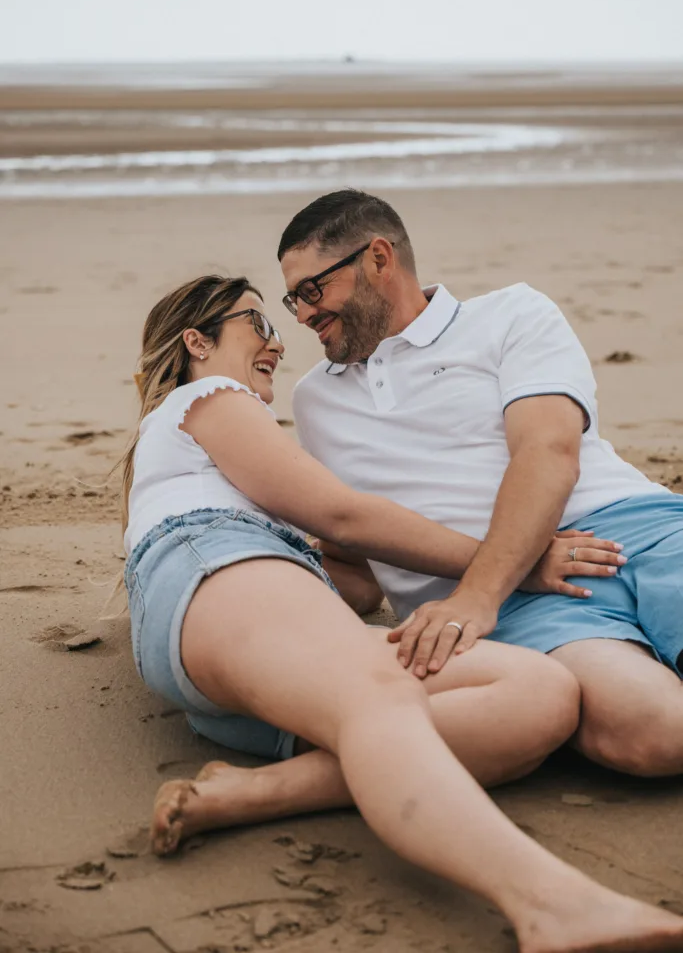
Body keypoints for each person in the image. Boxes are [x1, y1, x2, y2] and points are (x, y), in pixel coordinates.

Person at [122, 274, 683, 951]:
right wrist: (508, 560)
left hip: (233, 623)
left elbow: (350, 583)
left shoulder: (199, 450)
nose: (276, 341)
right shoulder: (213, 396)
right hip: (221, 566)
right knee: (380, 701)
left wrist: (357, 564)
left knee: (536, 694)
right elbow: (341, 514)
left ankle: (258, 790)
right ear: (196, 342)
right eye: (257, 324)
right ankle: (551, 906)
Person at [278, 188, 683, 780]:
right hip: (513, 603)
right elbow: (356, 564)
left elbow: (547, 450)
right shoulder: (315, 402)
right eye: (293, 301)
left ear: (379, 259)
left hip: (635, 528)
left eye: (313, 291)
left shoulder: (512, 314)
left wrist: (478, 596)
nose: (304, 315)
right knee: (656, 732)